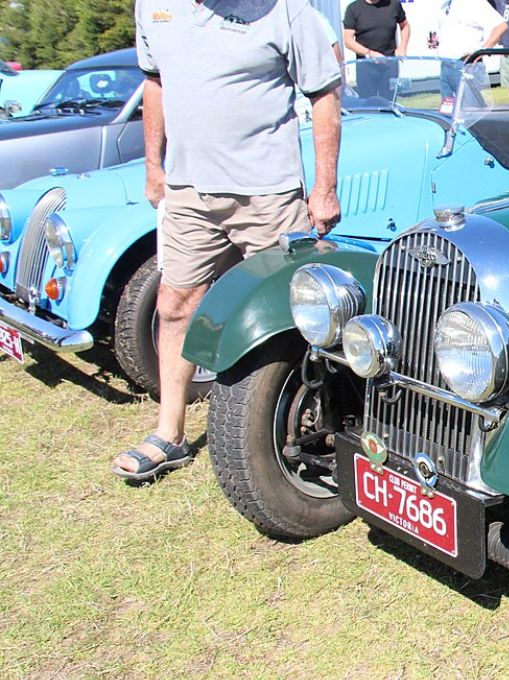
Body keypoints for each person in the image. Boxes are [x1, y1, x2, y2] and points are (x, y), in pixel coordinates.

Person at [117, 0, 342, 481]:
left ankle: (310, 423)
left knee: (294, 313)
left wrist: (324, 189)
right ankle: (169, 434)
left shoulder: (285, 11)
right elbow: (155, 83)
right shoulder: (155, 8)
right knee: (174, 302)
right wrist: (153, 167)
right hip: (188, 191)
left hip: (268, 193)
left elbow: (324, 95)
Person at [428, 0, 509, 104]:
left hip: (467, 65)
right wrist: (436, 41)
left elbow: (501, 26)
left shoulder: (474, 2)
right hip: (446, 65)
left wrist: (481, 51)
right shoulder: (446, 4)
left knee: (470, 112)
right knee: (448, 114)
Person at [343, 0, 410, 99]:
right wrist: (369, 53)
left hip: (389, 64)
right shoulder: (354, 8)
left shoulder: (393, 4)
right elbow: (348, 40)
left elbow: (405, 26)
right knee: (368, 104)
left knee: (389, 102)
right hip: (365, 64)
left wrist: (402, 46)